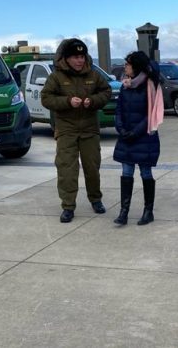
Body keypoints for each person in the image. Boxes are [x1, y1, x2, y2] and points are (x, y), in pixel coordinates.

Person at [41, 38, 112, 223]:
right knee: (67, 169)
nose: (80, 61)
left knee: (92, 168)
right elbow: (46, 98)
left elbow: (106, 92)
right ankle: (68, 206)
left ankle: (96, 199)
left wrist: (93, 101)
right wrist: (67, 102)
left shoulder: (94, 74)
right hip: (66, 130)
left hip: (89, 129)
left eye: (82, 56)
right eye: (75, 57)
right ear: (67, 58)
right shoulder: (57, 76)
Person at [112, 51, 164, 226]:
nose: (125, 67)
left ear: (136, 66)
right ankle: (123, 212)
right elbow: (118, 110)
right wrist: (120, 128)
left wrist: (135, 132)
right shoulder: (125, 85)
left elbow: (151, 114)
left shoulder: (150, 85)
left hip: (144, 138)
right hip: (126, 136)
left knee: (145, 173)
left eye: (128, 64)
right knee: (126, 173)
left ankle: (148, 211)